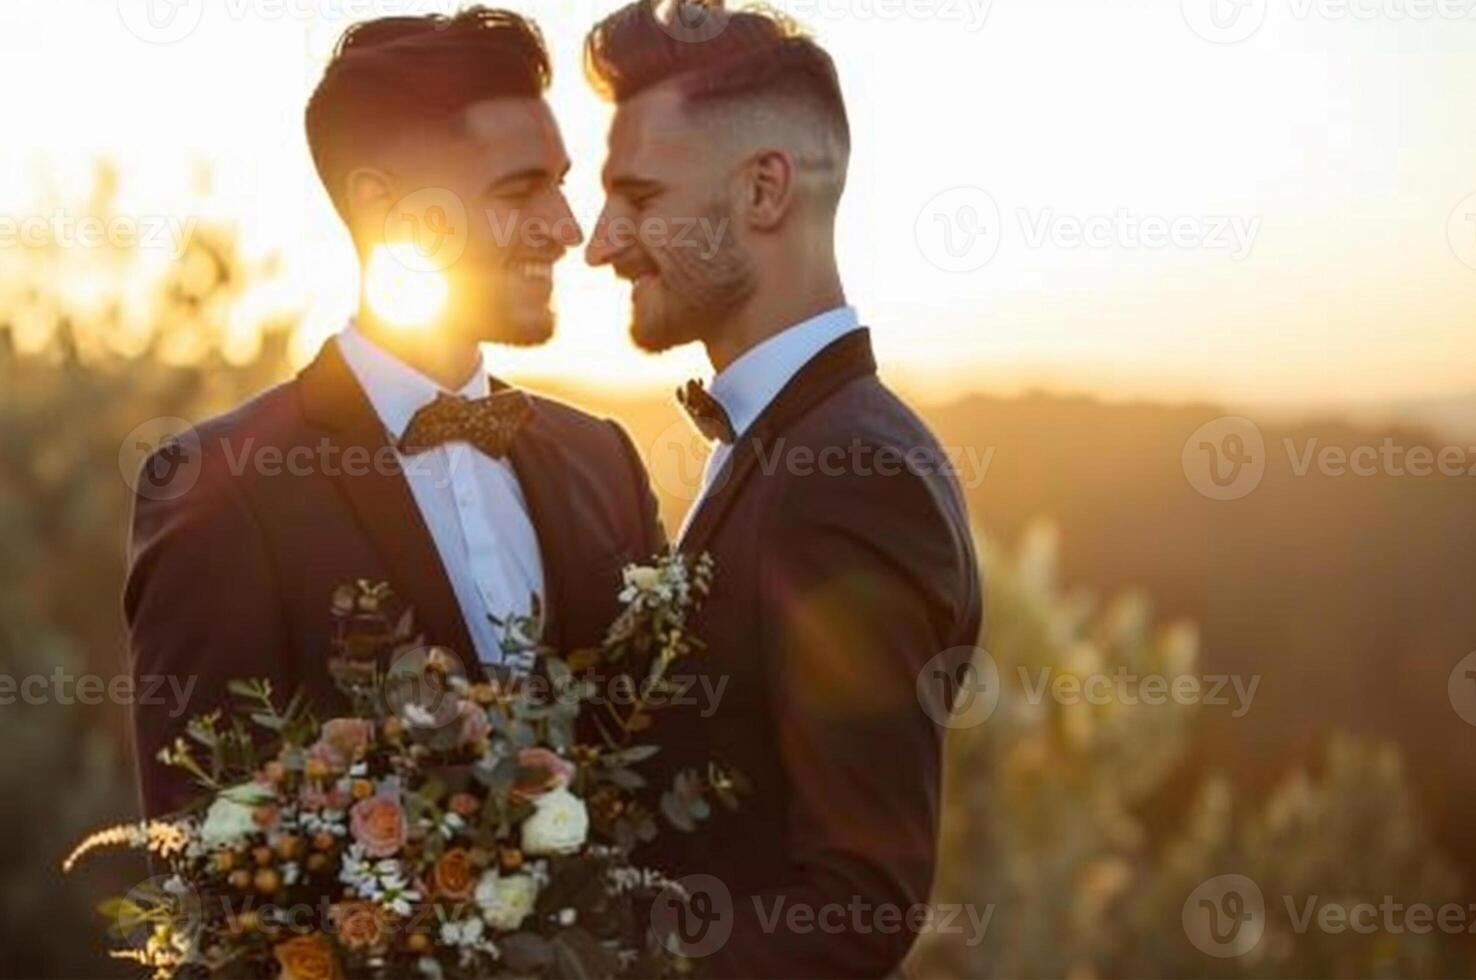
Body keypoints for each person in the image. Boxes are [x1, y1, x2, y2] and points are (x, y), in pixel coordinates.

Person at [125, 7, 663, 819]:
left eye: (561, 182)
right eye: (520, 190)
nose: (567, 228)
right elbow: (204, 846)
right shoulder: (219, 488)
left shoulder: (604, 461)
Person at [584, 2, 983, 975]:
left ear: (763, 190)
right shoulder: (790, 440)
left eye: (637, 197)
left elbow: (854, 908)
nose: (600, 242)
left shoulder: (852, 478)